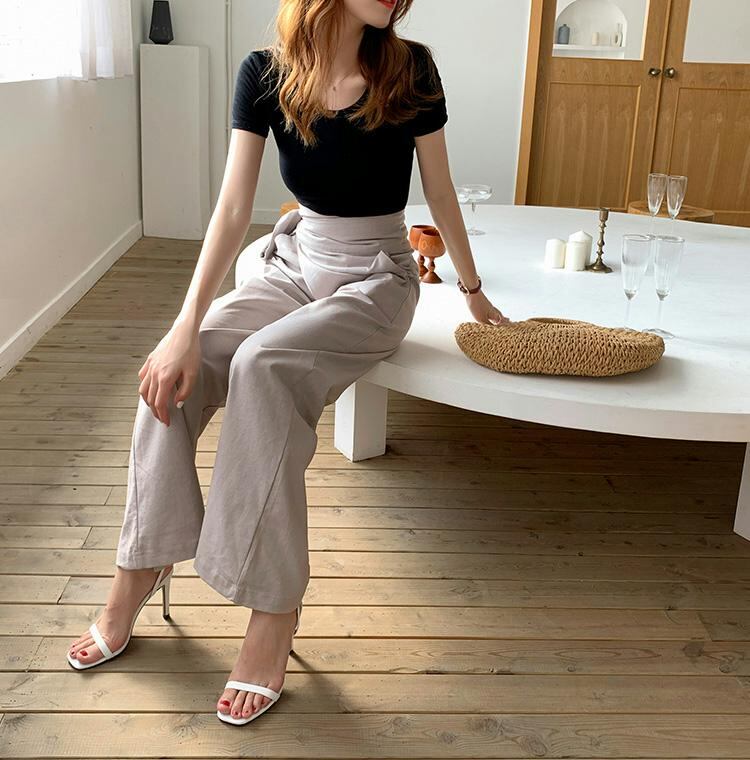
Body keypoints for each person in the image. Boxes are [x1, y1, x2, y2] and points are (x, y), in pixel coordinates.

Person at [66, 0, 508, 726]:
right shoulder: (264, 73)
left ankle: (274, 608)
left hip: (377, 277)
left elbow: (439, 190)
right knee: (176, 371)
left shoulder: (411, 67)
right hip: (295, 263)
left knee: (262, 364)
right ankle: (142, 561)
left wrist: (472, 290)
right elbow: (232, 206)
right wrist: (184, 327)